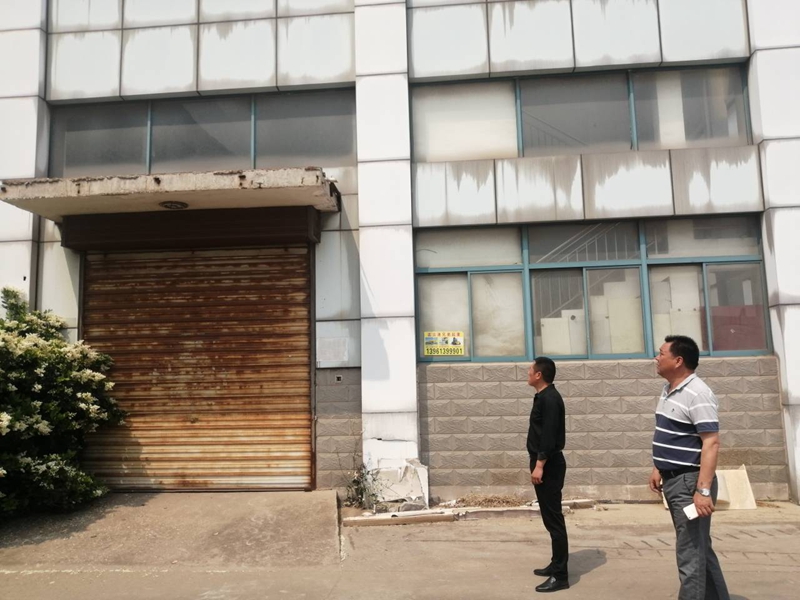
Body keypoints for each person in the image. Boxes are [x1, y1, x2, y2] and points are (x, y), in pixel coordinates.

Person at [650, 335, 730, 600]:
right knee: (698, 549)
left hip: (689, 483)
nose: (656, 358)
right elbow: (670, 434)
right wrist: (659, 467)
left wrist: (703, 490)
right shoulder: (669, 389)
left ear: (678, 360)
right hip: (674, 480)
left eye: (661, 354)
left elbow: (711, 442)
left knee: (690, 554)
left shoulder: (698, 393)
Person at [527, 356, 569, 593]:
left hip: (549, 464)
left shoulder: (550, 399)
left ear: (539, 375)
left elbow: (549, 435)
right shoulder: (543, 396)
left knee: (554, 519)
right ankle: (556, 564)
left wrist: (540, 464)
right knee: (549, 517)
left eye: (530, 370)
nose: (527, 373)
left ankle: (560, 576)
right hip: (543, 461)